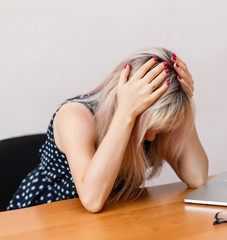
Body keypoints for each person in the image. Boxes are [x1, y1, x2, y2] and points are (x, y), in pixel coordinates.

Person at [7, 47, 208, 213]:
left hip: (106, 221)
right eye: (148, 126)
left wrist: (183, 102)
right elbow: (92, 200)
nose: (152, 137)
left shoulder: (151, 130)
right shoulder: (75, 116)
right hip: (43, 217)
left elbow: (197, 177)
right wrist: (126, 114)